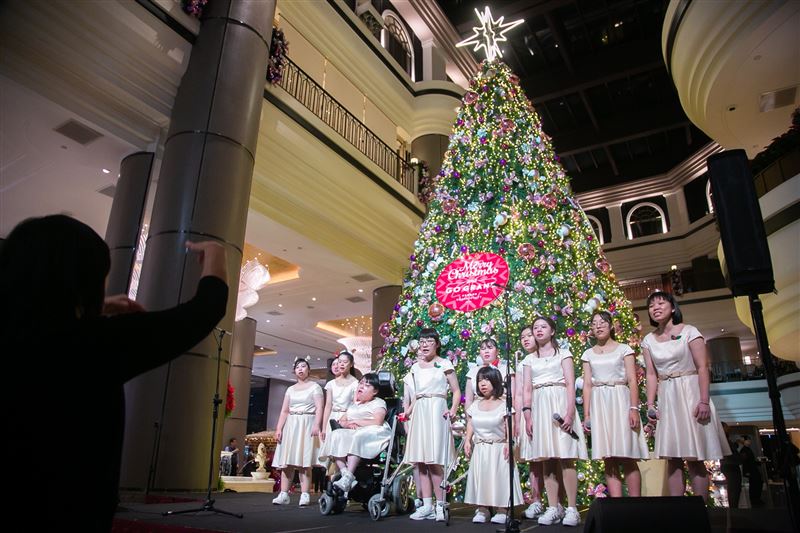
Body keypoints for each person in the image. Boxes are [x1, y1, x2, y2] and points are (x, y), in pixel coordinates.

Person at [1, 214, 228, 532]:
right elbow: (203, 311)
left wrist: (98, 308)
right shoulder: (94, 343)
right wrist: (217, 255)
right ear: (82, 280)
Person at [641, 291, 730, 500]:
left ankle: (699, 510)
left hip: (690, 392)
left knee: (694, 456)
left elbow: (702, 368)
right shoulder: (648, 340)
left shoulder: (690, 331)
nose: (656, 308)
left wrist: (703, 400)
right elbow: (651, 374)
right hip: (667, 396)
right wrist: (651, 404)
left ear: (672, 307)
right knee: (672, 456)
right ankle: (678, 510)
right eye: (651, 305)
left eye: (661, 303)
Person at [521, 317, 587, 527]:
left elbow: (570, 384)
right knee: (547, 458)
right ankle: (552, 506)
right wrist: (528, 415)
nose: (538, 330)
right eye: (535, 328)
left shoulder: (564, 354)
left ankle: (572, 509)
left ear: (552, 331)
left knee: (566, 456)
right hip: (540, 407)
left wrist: (569, 413)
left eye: (543, 327)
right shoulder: (529, 360)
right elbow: (527, 389)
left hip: (560, 403)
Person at [581, 311, 648, 497]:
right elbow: (587, 385)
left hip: (620, 398)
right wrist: (587, 415)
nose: (598, 326)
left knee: (627, 454)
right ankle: (616, 506)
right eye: (594, 324)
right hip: (599, 401)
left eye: (602, 322)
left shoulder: (624, 349)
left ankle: (636, 504)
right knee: (608, 456)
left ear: (611, 325)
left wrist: (633, 409)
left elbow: (633, 380)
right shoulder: (588, 354)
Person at [400, 327, 461, 521]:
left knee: (434, 460)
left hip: (437, 410)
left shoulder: (444, 364)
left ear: (437, 344)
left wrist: (452, 411)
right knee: (421, 461)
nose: (425, 344)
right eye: (422, 341)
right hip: (420, 411)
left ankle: (441, 505)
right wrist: (407, 412)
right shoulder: (415, 368)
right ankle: (426, 505)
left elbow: (456, 391)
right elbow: (414, 395)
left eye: (429, 341)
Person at [464, 367, 523, 524]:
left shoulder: (504, 404)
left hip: (498, 447)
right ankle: (482, 509)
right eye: (479, 380)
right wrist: (468, 440)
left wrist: (508, 442)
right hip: (481, 448)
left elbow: (508, 425)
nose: (482, 384)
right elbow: (471, 422)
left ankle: (502, 509)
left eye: (486, 380)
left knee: (500, 476)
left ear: (495, 381)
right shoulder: (475, 405)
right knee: (481, 476)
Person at [323, 373, 392, 492]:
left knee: (358, 436)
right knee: (336, 434)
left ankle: (348, 476)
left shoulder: (379, 402)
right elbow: (342, 421)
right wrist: (348, 424)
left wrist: (356, 421)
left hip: (374, 432)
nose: (361, 386)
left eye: (366, 385)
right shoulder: (355, 405)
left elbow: (377, 421)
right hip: (354, 431)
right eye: (361, 383)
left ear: (374, 391)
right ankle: (346, 475)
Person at [271, 357, 324, 507]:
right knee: (286, 462)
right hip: (291, 424)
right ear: (294, 371)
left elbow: (320, 407)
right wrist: (279, 428)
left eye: (303, 366)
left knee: (304, 462)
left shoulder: (315, 387)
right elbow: (284, 411)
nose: (300, 369)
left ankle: (305, 494)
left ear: (308, 369)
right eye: (298, 367)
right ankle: (283, 494)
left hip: (307, 423)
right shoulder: (290, 389)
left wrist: (316, 424)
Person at [319, 351, 358, 463]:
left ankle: (344, 476)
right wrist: (324, 427)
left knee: (343, 452)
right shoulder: (331, 384)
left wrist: (347, 419)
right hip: (332, 418)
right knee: (331, 455)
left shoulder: (356, 383)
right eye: (339, 362)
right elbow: (328, 406)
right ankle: (332, 480)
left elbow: (355, 405)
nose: (341, 364)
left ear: (351, 364)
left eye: (344, 362)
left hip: (346, 418)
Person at [720, 422, 743, 508]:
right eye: (726, 426)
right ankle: (734, 508)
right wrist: (741, 458)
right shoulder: (723, 439)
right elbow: (730, 452)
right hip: (730, 465)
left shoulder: (724, 438)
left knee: (734, 487)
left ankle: (734, 507)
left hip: (728, 465)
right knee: (734, 488)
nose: (728, 427)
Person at [739, 435, 764, 506]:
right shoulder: (745, 450)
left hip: (752, 470)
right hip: (751, 470)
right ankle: (755, 499)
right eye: (748, 440)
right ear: (744, 441)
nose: (750, 441)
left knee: (755, 484)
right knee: (755, 484)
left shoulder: (746, 449)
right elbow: (746, 462)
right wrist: (747, 472)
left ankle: (756, 499)